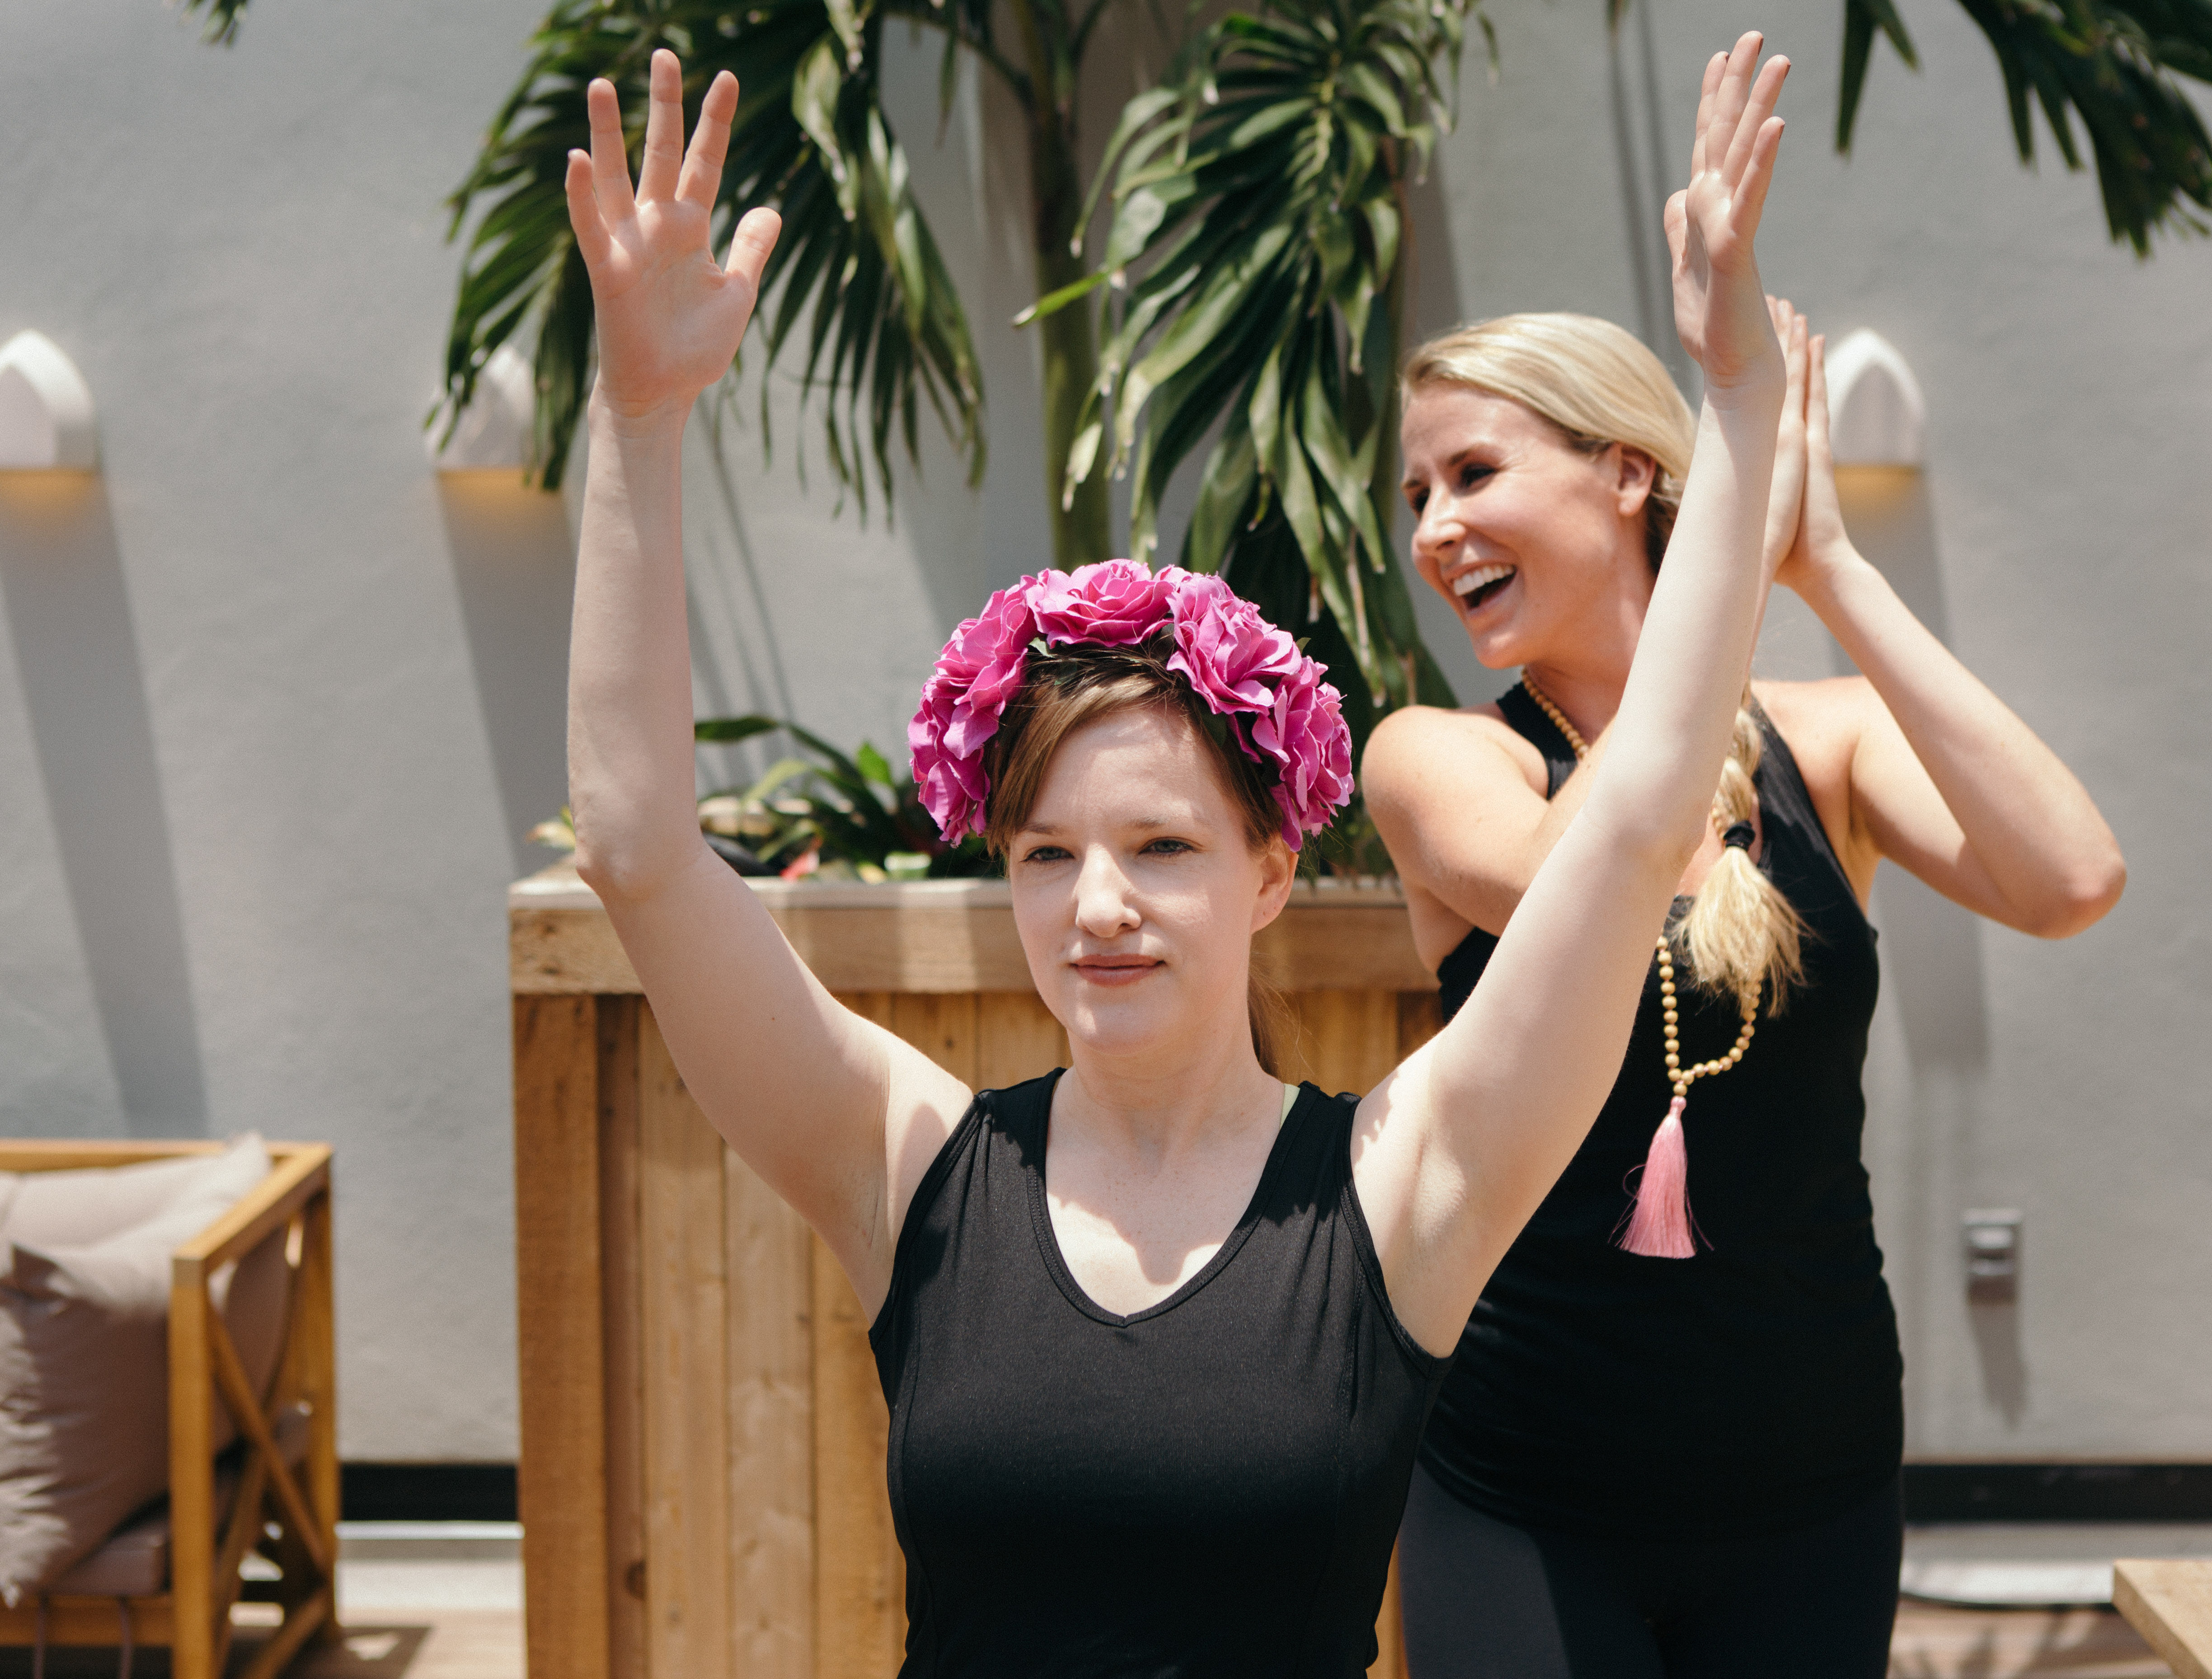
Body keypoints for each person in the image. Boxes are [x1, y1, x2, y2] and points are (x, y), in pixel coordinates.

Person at [561, 34, 1800, 1679]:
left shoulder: (1401, 1188)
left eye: (1161, 844)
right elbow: (641, 846)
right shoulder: (908, 1161)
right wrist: (638, 411)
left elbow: (1641, 810)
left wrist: (1736, 399)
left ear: (1274, 866)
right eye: (1046, 853)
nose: (1100, 905)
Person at [1362, 109, 2127, 1679]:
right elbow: (1606, 873)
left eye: (1476, 471)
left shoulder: (1828, 741)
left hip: (1812, 1484)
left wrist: (1825, 563)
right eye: (1418, 488)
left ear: (1627, 475)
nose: (1434, 529)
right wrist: (1735, 439)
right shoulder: (1439, 759)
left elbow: (2071, 875)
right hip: (1524, 1495)